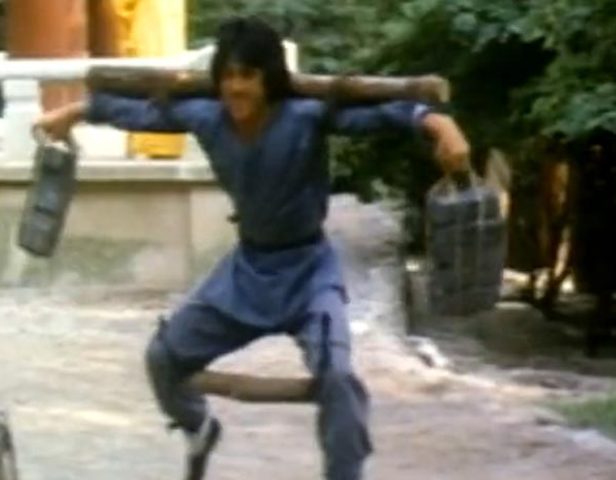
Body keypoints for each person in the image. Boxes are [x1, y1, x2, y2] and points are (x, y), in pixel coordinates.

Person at [35, 16, 470, 480]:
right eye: (228, 76)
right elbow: (140, 113)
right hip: (246, 273)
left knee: (338, 379)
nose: (236, 87)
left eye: (248, 75)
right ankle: (198, 427)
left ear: (269, 79)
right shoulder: (206, 118)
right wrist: (72, 114)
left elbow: (380, 116)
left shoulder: (305, 117)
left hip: (308, 273)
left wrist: (440, 124)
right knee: (163, 358)